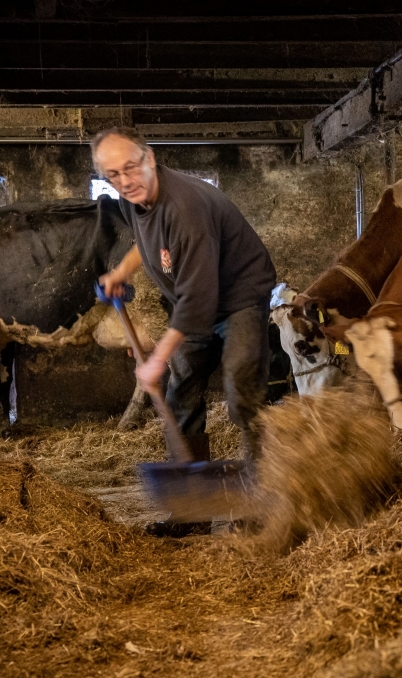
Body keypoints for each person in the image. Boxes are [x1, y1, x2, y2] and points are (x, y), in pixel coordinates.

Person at [93, 126, 276, 479]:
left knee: (242, 393)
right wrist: (121, 273)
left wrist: (156, 360)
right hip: (192, 300)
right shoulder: (131, 200)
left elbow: (197, 301)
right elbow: (149, 246)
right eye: (112, 175)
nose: (125, 181)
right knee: (180, 395)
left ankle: (259, 492)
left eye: (130, 167)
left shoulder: (184, 209)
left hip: (238, 299)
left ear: (150, 158)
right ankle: (192, 505)